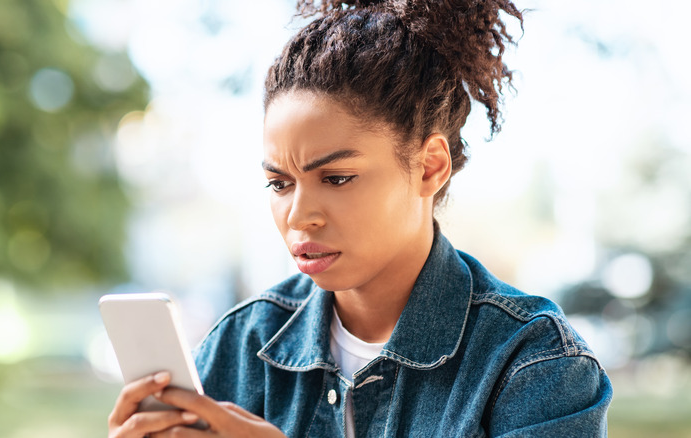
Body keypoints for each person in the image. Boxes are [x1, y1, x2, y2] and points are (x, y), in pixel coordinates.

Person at [107, 0, 613, 436]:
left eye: (337, 178)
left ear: (429, 166)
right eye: (279, 183)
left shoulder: (534, 363)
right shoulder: (241, 349)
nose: (299, 216)